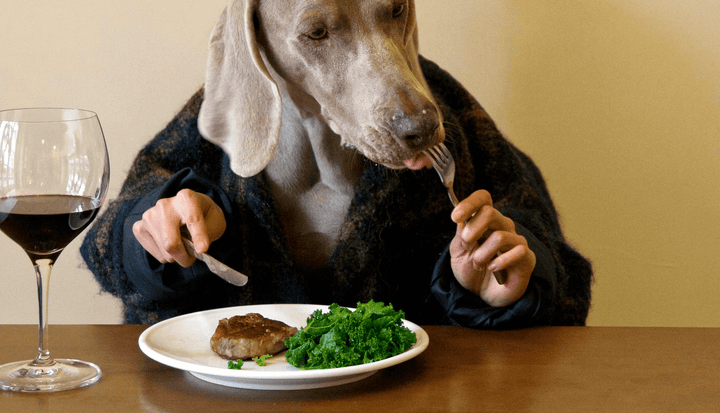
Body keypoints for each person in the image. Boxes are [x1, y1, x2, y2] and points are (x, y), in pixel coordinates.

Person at [80, 57, 592, 328]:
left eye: (390, 12)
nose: (367, 49)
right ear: (257, 31)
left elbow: (554, 267)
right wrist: (156, 234)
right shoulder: (222, 110)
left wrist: (506, 286)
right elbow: (109, 244)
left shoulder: (441, 115)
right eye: (319, 31)